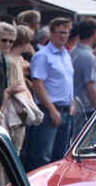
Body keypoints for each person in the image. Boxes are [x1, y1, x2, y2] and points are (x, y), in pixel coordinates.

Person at [26, 16, 76, 170]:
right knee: (43, 156)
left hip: (66, 111)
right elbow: (38, 85)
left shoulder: (66, 55)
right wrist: (52, 110)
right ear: (52, 33)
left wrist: (72, 103)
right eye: (59, 32)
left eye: (66, 33)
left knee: (61, 157)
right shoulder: (43, 55)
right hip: (50, 111)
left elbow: (67, 82)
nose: (63, 36)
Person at [70, 19, 96, 126]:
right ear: (94, 34)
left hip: (75, 106)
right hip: (86, 108)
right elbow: (90, 88)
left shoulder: (74, 51)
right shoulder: (88, 57)